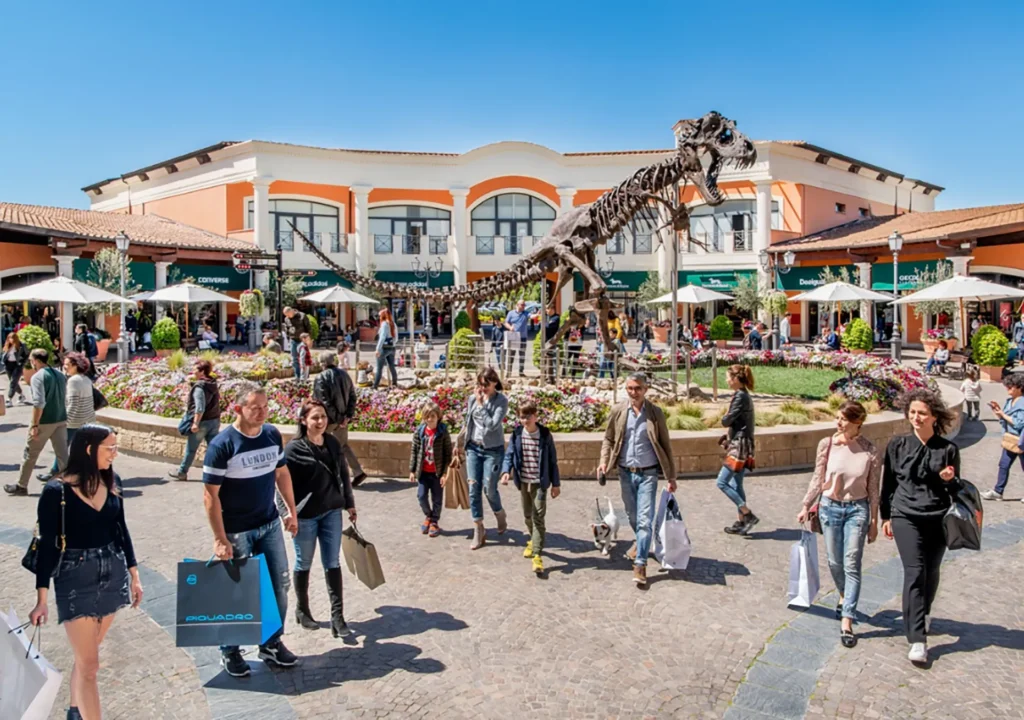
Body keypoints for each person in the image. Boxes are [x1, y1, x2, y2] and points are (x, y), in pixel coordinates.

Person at [29, 424, 143, 720]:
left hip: (111, 572)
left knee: (86, 657)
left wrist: (134, 574)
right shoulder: (56, 492)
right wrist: (42, 599)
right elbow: (47, 548)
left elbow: (122, 530)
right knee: (90, 665)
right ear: (89, 449)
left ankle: (74, 709)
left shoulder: (113, 480)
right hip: (74, 576)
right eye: (110, 448)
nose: (115, 454)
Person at [202, 383, 300, 677]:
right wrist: (220, 539)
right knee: (238, 592)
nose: (261, 412)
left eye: (265, 407)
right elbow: (210, 496)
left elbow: (281, 473)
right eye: (254, 407)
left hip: (268, 523)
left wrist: (290, 510)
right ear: (237, 409)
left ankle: (271, 642)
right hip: (236, 530)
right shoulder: (223, 445)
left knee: (280, 584)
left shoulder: (271, 435)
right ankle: (229, 650)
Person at [881, 388, 960, 665]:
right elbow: (888, 483)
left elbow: (957, 490)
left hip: (938, 518)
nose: (916, 417)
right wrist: (886, 517)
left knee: (931, 570)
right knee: (914, 572)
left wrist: (950, 479)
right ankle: (917, 639)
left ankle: (923, 611)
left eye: (922, 413)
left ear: (934, 417)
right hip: (906, 516)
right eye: (912, 412)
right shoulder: (897, 445)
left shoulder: (948, 449)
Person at [797, 401, 880, 648]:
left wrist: (874, 520)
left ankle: (847, 620)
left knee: (852, 563)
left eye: (843, 419)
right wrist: (805, 505)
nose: (838, 423)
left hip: (857, 509)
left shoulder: (870, 451)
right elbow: (817, 477)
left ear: (857, 422)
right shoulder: (828, 444)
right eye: (837, 418)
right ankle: (844, 594)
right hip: (829, 508)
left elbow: (874, 488)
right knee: (835, 561)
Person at [285, 399, 356, 638]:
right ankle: (302, 609)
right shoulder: (294, 449)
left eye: (323, 417)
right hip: (305, 517)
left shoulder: (333, 443)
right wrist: (288, 513)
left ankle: (338, 617)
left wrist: (350, 503)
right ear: (303, 420)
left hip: (331, 512)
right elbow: (281, 483)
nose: (320, 421)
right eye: (315, 417)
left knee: (332, 563)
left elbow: (343, 475)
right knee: (303, 563)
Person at [597, 372, 676, 588]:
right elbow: (609, 438)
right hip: (625, 471)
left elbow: (666, 444)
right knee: (632, 515)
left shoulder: (655, 413)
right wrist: (603, 462)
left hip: (648, 473)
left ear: (645, 389)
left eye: (638, 388)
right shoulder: (619, 411)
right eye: (630, 388)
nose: (634, 392)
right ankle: (640, 542)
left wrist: (671, 476)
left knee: (644, 519)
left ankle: (640, 564)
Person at [500, 400, 560, 575]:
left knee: (538, 517)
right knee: (528, 515)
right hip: (523, 481)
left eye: (528, 416)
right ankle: (534, 541)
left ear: (535, 416)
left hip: (540, 483)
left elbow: (552, 461)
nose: (525, 420)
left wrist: (556, 484)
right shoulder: (517, 434)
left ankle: (537, 555)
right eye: (522, 416)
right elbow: (509, 454)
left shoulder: (545, 435)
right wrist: (506, 472)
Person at [5, 349, 69, 496]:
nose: (31, 363)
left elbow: (39, 403)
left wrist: (34, 424)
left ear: (37, 360)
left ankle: (22, 485)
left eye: (32, 360)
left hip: (45, 421)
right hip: (60, 418)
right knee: (62, 454)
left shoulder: (38, 377)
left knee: (30, 453)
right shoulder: (59, 375)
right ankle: (69, 484)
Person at [462, 366, 509, 549]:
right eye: (479, 384)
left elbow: (492, 425)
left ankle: (499, 513)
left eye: (486, 384)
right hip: (474, 447)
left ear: (495, 383)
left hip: (492, 450)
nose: (482, 388)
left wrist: (481, 406)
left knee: (489, 489)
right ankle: (478, 528)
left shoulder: (501, 401)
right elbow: (468, 422)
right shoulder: (472, 399)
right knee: (473, 487)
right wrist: (462, 445)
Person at [313, 351, 367, 486]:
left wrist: (339, 418)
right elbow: (353, 396)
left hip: (329, 419)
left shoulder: (321, 378)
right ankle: (357, 472)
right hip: (341, 418)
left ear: (323, 363)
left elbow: (323, 402)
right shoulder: (345, 375)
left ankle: (328, 475)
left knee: (320, 445)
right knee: (342, 445)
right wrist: (347, 416)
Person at [717, 364, 759, 535]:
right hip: (742, 441)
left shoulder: (740, 396)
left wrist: (724, 419)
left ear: (735, 379)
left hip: (740, 444)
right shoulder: (743, 395)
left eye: (728, 377)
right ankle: (742, 522)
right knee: (737, 483)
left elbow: (727, 420)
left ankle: (747, 513)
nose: (726, 380)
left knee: (722, 482)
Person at [169, 359, 221, 481]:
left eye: (195, 369)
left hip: (202, 423)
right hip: (214, 420)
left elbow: (200, 407)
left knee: (191, 449)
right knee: (214, 448)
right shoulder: (212, 384)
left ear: (202, 371)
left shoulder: (200, 387)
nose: (192, 371)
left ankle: (182, 472)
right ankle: (219, 471)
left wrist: (195, 423)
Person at [408, 400, 453, 538]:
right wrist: (412, 470)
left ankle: (434, 521)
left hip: (437, 472)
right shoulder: (420, 432)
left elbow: (447, 453)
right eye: (427, 416)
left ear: (438, 416)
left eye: (432, 416)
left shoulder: (442, 432)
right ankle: (428, 515)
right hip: (423, 472)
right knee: (421, 496)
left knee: (437, 499)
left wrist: (445, 473)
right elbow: (414, 451)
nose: (430, 419)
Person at [47, 352, 95, 478]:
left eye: (67, 364)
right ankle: (56, 470)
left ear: (75, 365)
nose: (64, 367)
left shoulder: (73, 381)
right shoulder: (86, 379)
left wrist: (65, 420)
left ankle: (56, 472)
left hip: (74, 422)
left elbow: (73, 404)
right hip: (86, 420)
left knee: (62, 448)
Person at [981, 373, 1024, 501]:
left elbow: (1019, 422)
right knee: (1003, 465)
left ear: (1019, 388)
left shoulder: (1022, 403)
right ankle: (998, 491)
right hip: (1010, 439)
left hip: (1021, 440)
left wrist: (1003, 415)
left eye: (1010, 387)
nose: (1008, 389)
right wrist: (998, 412)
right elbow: (1005, 419)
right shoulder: (1009, 401)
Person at [283, 306, 312, 380]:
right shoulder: (286, 319)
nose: (287, 316)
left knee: (303, 359)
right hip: (293, 340)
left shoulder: (302, 316)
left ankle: (304, 377)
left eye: (288, 314)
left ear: (292, 311)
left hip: (302, 340)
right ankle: (297, 376)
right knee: (294, 359)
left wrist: (308, 340)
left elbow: (308, 328)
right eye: (286, 315)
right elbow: (287, 329)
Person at [503, 299, 530, 376]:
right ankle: (509, 372)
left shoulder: (526, 313)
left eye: (524, 305)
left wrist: (537, 315)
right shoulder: (511, 313)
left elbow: (531, 316)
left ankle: (521, 372)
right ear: (517, 305)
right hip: (514, 337)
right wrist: (510, 327)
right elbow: (506, 322)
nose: (523, 306)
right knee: (511, 355)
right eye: (522, 305)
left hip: (523, 337)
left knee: (522, 355)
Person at [374, 308, 399, 389]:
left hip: (384, 348)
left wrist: (378, 349)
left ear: (383, 316)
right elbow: (396, 337)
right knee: (392, 366)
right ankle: (394, 383)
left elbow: (382, 337)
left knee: (379, 368)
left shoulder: (384, 324)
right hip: (392, 347)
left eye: (380, 315)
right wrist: (393, 344)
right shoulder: (393, 324)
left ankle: (375, 386)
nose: (379, 317)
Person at [3, 330, 28, 406]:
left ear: (15, 338)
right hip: (8, 365)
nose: (10, 340)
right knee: (13, 382)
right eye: (9, 338)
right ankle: (22, 395)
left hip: (17, 365)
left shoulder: (21, 345)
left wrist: (22, 363)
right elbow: (5, 355)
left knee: (13, 382)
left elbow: (27, 354)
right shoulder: (8, 345)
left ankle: (9, 399)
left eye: (12, 338)